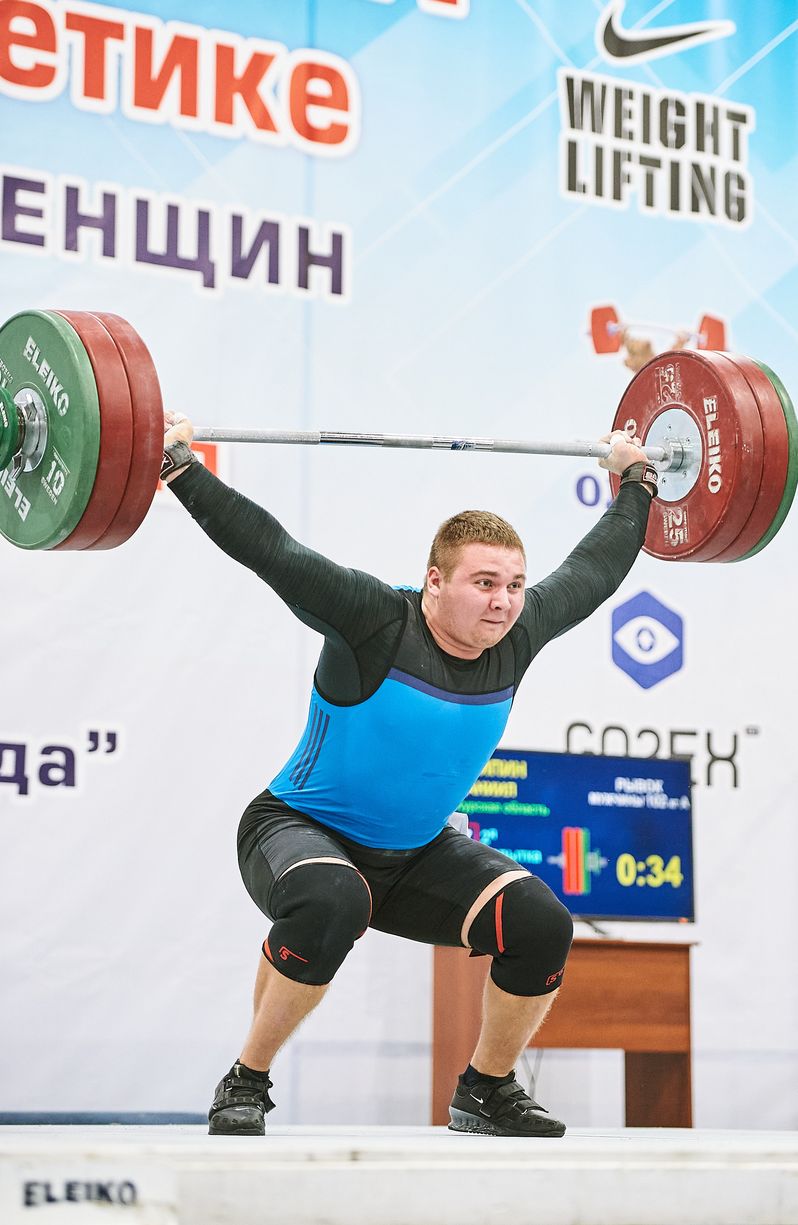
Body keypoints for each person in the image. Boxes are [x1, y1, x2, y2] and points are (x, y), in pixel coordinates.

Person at [160, 414, 657, 1138]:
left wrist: (637, 480)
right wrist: (179, 467)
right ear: (434, 580)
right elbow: (273, 550)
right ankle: (246, 1079)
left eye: (514, 585)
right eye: (484, 582)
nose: (503, 601)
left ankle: (485, 1090)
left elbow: (595, 569)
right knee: (333, 899)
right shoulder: (375, 620)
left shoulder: (517, 636)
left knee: (541, 924)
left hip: (415, 854)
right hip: (295, 829)